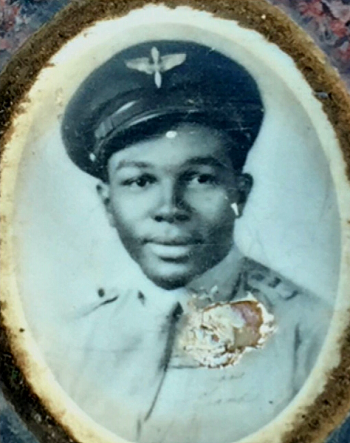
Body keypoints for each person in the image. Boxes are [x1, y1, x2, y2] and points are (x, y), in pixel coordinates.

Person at [54, 41, 332, 443]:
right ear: (108, 203)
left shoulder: (310, 336)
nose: (170, 208)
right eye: (140, 181)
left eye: (200, 177)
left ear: (240, 192)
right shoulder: (75, 343)